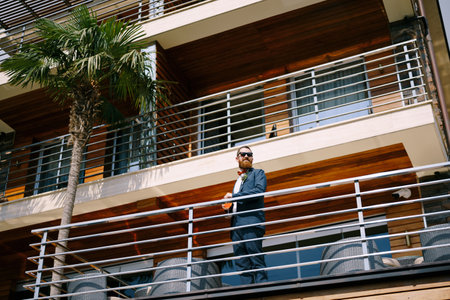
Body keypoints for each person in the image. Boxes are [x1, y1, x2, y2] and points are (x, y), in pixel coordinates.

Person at [222, 145, 268, 284]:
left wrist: (234, 196)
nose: (246, 156)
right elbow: (237, 202)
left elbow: (259, 191)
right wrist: (227, 208)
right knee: (242, 265)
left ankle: (262, 292)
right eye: (243, 154)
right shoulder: (237, 181)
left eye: (249, 154)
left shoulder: (258, 173)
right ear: (237, 158)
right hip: (236, 227)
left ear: (252, 158)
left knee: (256, 260)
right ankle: (247, 292)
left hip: (251, 224)